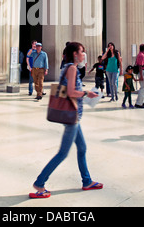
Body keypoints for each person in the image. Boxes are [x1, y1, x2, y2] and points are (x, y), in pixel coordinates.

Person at [29, 42, 102, 199]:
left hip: (75, 116)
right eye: (82, 52)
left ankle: (87, 181)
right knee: (63, 153)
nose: (84, 55)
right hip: (71, 118)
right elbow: (70, 92)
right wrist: (86, 93)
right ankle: (40, 183)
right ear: (75, 54)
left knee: (82, 148)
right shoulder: (72, 68)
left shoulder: (69, 67)